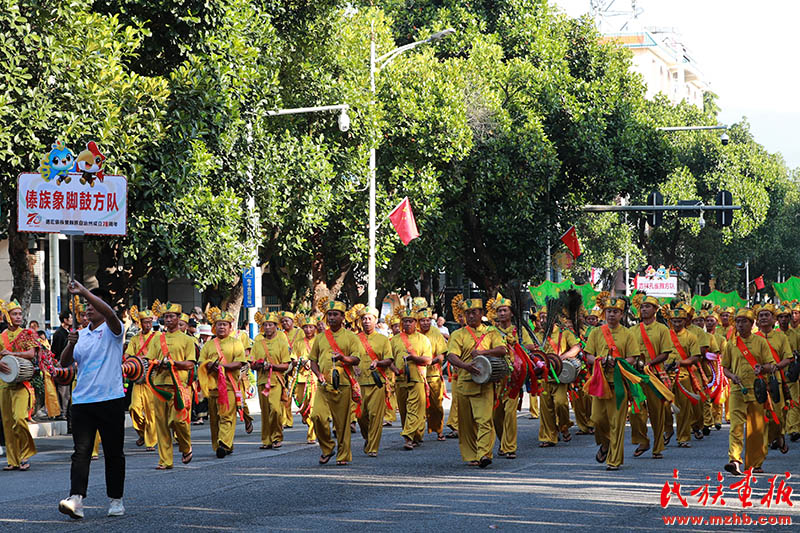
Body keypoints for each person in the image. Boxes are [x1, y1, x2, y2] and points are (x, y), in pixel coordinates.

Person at [57, 281, 125, 519]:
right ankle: (76, 499)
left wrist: (84, 291)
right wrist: (70, 343)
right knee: (81, 452)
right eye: (86, 304)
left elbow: (110, 313)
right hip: (83, 401)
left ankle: (116, 499)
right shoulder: (81, 334)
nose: (87, 308)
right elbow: (64, 362)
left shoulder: (115, 330)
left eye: (92, 304)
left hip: (110, 399)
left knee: (113, 452)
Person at [445, 298, 505, 468]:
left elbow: (502, 350)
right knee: (466, 423)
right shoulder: (458, 334)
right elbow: (451, 356)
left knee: (485, 420)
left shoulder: (491, 332)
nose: (471, 316)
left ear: (482, 314)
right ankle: (471, 455)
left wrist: (483, 352)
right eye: (467, 313)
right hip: (464, 383)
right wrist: (465, 366)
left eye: (474, 312)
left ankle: (484, 454)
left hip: (485, 383)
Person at [583, 296, 640, 471]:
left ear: (621, 314)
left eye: (615, 311)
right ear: (604, 313)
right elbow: (588, 355)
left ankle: (614, 460)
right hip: (600, 383)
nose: (612, 314)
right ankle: (606, 444)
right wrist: (599, 361)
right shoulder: (596, 332)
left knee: (617, 423)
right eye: (609, 311)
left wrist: (619, 362)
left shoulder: (628, 334)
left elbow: (633, 357)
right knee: (597, 419)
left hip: (619, 384)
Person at [309, 301, 363, 466]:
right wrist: (318, 374)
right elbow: (313, 361)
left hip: (343, 384)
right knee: (316, 416)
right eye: (329, 315)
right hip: (324, 386)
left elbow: (356, 358)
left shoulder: (351, 337)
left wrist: (342, 358)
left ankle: (343, 455)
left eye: (335, 315)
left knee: (342, 423)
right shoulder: (320, 337)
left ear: (342, 317)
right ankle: (327, 448)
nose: (331, 318)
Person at [146, 302, 196, 469]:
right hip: (159, 386)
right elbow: (149, 360)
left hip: (178, 386)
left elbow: (190, 364)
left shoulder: (187, 340)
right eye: (166, 317)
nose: (168, 320)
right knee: (161, 424)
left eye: (171, 317)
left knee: (178, 421)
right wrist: (157, 363)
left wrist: (174, 364)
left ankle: (185, 446)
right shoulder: (156, 339)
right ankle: (165, 460)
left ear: (178, 318)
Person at [723, 308, 773, 475]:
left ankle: (755, 464)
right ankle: (735, 460)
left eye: (744, 321)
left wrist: (762, 368)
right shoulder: (731, 343)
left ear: (752, 324)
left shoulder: (761, 342)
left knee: (757, 428)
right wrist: (732, 376)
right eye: (738, 321)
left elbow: (770, 365)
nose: (740, 325)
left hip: (757, 390)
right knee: (736, 426)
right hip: (738, 390)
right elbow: (725, 368)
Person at [197, 308, 246, 458]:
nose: (222, 327)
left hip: (229, 386)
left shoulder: (236, 343)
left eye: (225, 324)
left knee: (226, 416)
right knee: (214, 418)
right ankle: (223, 445)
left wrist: (222, 367)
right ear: (214, 327)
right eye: (219, 324)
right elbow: (201, 363)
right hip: (213, 386)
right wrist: (209, 365)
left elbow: (239, 363)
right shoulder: (209, 345)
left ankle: (223, 444)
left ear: (230, 327)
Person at [491, 294, 534, 459]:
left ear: (511, 312)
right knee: (496, 415)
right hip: (496, 377)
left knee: (510, 412)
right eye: (499, 311)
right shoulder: (491, 331)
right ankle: (503, 442)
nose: (502, 313)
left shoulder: (520, 330)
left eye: (505, 310)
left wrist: (515, 344)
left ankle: (510, 446)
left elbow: (530, 346)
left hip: (514, 377)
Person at [629, 295, 671, 459]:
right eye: (642, 307)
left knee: (656, 412)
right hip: (636, 375)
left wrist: (650, 363)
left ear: (655, 310)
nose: (644, 309)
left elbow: (666, 353)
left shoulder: (662, 329)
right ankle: (643, 440)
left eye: (648, 306)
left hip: (655, 374)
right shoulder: (632, 330)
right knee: (635, 411)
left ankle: (658, 446)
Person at [0, 299, 37, 471]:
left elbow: (31, 354)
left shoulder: (27, 334)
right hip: (4, 384)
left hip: (22, 383)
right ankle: (13, 460)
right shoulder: (1, 337)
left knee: (20, 418)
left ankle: (25, 454)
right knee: (7, 422)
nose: (18, 317)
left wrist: (12, 353)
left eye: (20, 314)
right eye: (14, 314)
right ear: (7, 316)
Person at [390, 310, 432, 450]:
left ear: (416, 323)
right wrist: (394, 368)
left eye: (411, 321)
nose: (407, 324)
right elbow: (389, 359)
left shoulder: (423, 339)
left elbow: (428, 360)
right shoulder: (394, 339)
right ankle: (415, 435)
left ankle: (408, 437)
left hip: (417, 379)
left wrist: (413, 358)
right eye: (405, 321)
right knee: (403, 411)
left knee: (414, 409)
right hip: (400, 380)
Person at [355, 306, 393, 457]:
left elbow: (389, 359)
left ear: (376, 321)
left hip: (377, 382)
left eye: (369, 318)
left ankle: (373, 447)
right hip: (359, 382)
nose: (366, 321)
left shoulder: (383, 339)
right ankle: (367, 437)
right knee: (360, 415)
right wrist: (354, 366)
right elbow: (350, 356)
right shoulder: (355, 338)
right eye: (364, 319)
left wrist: (378, 362)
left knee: (375, 415)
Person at [754, 304, 792, 454]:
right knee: (762, 415)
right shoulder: (753, 338)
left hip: (776, 380)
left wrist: (775, 367)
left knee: (779, 413)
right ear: (757, 320)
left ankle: (779, 435)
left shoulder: (781, 336)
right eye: (761, 315)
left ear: (773, 319)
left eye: (767, 315)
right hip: (758, 381)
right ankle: (765, 443)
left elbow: (788, 358)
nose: (763, 318)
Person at [251, 312, 291, 449]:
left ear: (276, 326)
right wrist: (258, 364)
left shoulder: (281, 343)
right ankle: (266, 440)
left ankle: (277, 436)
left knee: (275, 410)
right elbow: (251, 363)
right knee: (265, 411)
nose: (267, 327)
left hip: (276, 380)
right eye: (265, 325)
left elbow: (286, 364)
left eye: (270, 325)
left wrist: (273, 366)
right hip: (262, 380)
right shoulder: (258, 344)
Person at [665, 305, 701, 449]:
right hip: (665, 375)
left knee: (684, 408)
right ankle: (667, 430)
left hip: (683, 375)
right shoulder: (665, 335)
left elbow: (695, 357)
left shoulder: (691, 337)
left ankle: (683, 437)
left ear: (685, 321)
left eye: (680, 321)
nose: (677, 324)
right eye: (674, 321)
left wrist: (680, 363)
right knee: (663, 406)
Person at [125, 306, 157, 451]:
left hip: (152, 379)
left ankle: (151, 441)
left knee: (151, 411)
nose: (148, 325)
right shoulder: (135, 339)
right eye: (145, 322)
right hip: (138, 379)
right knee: (134, 408)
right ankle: (142, 433)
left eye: (150, 322)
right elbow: (128, 355)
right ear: (140, 323)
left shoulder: (158, 337)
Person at [418, 308, 448, 441]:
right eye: (422, 321)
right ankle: (416, 434)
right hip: (417, 375)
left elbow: (442, 354)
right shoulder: (413, 334)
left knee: (436, 405)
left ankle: (439, 429)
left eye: (428, 320)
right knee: (418, 406)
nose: (425, 323)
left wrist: (431, 361)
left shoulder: (436, 332)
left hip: (433, 374)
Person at [293, 314, 320, 444]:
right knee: (301, 404)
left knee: (313, 406)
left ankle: (312, 434)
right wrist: (300, 361)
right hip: (301, 378)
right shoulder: (298, 343)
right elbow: (292, 359)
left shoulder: (319, 340)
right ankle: (306, 418)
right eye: (306, 327)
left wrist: (312, 362)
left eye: (311, 327)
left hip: (314, 377)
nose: (308, 330)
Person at [50, 310, 73, 422]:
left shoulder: (69, 332)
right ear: (65, 320)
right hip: (61, 367)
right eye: (70, 317)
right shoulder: (59, 333)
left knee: (68, 393)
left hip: (69, 368)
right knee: (62, 391)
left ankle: (66, 413)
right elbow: (55, 351)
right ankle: (61, 413)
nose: (72, 319)